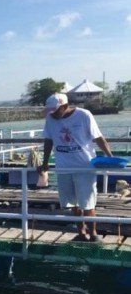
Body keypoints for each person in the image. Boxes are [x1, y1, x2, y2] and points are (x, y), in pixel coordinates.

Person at [37, 93, 113, 243]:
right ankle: (81, 233)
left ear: (65, 106)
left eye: (55, 110)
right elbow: (48, 140)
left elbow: (98, 137)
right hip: (64, 168)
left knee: (88, 203)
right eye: (50, 111)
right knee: (73, 204)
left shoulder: (84, 115)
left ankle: (93, 234)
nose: (52, 114)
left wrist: (110, 157)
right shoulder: (50, 119)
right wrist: (45, 162)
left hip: (85, 167)